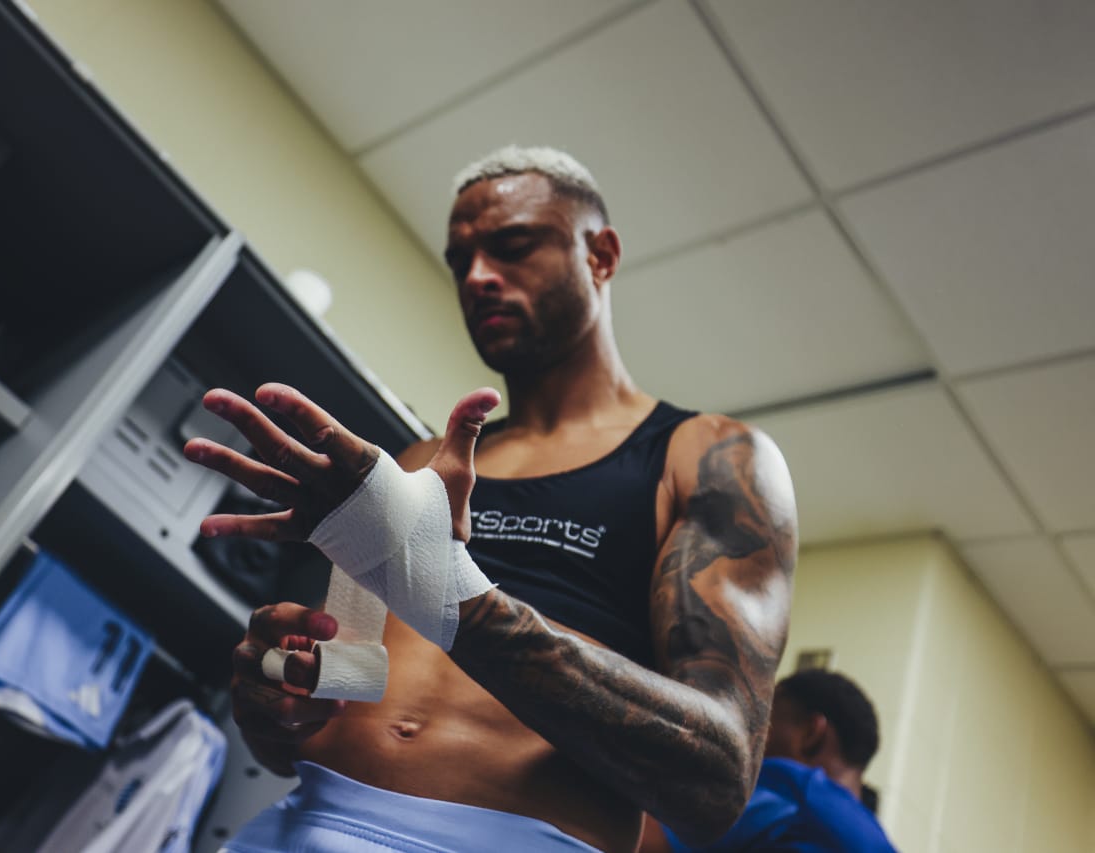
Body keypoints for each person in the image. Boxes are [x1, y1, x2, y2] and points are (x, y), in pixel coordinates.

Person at [183, 145, 799, 853]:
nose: (477, 277)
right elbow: (329, 698)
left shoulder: (707, 457)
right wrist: (276, 695)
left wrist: (452, 595)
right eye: (460, 261)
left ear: (600, 255)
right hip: (300, 823)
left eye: (512, 246)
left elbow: (716, 776)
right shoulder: (418, 462)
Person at [646, 669, 899, 852]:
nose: (748, 736)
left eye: (763, 721)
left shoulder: (793, 787)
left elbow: (646, 841)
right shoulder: (873, 836)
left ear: (812, 733)